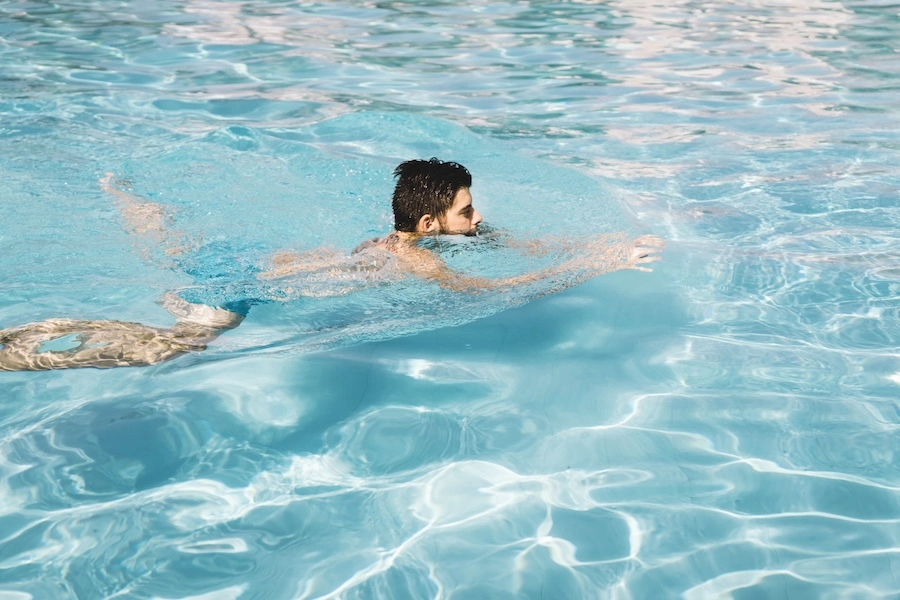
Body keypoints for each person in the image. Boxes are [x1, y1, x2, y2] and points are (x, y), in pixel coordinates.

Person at [0, 158, 662, 371]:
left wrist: (589, 242)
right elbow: (491, 293)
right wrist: (593, 268)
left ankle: (117, 192)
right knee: (179, 346)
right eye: (468, 211)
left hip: (247, 255)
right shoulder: (419, 264)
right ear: (429, 225)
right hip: (244, 285)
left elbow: (518, 248)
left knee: (171, 238)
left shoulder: (417, 236)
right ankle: (36, 347)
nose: (479, 219)